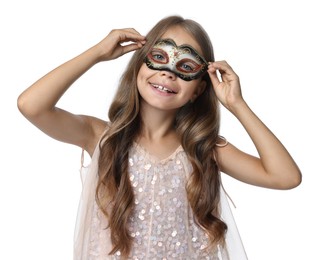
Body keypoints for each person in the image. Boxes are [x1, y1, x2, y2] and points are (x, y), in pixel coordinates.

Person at [17, 15, 301, 260]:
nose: (167, 73)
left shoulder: (204, 149)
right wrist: (97, 53)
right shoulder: (101, 137)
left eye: (186, 66)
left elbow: (285, 176)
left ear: (200, 90)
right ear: (139, 64)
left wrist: (238, 104)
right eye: (159, 57)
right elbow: (31, 105)